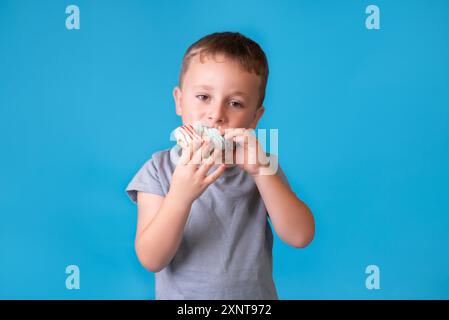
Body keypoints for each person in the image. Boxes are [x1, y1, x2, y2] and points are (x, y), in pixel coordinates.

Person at [125, 32, 315, 299]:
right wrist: (179, 196)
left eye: (235, 103)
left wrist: (262, 172)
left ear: (253, 118)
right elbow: (152, 258)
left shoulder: (260, 165)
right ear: (179, 101)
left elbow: (300, 236)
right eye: (203, 97)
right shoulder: (159, 170)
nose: (216, 115)